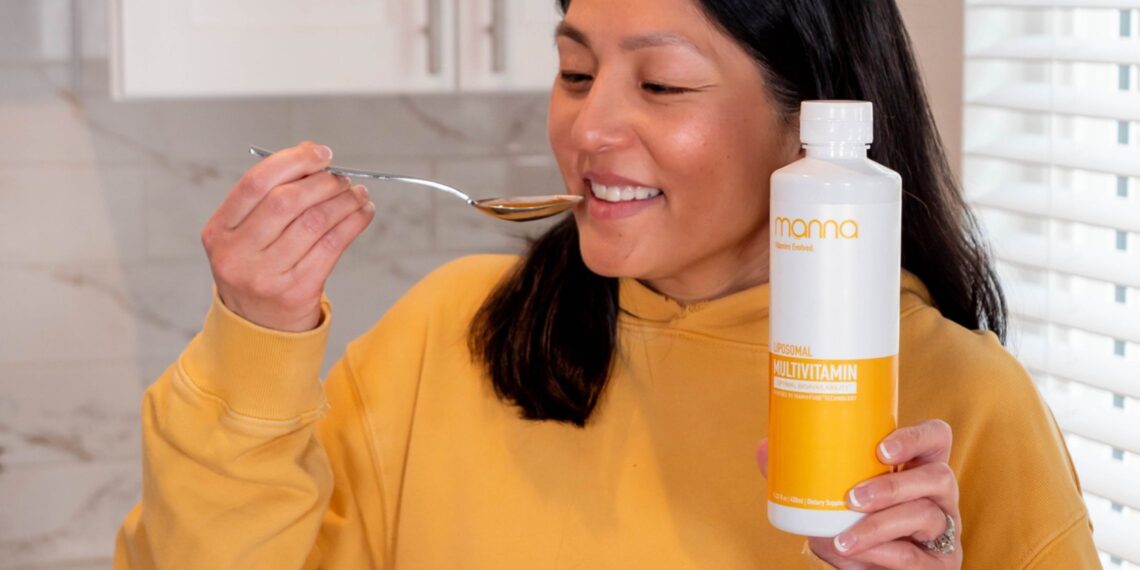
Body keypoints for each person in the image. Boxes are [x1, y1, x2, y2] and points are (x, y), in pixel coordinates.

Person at [115, 0, 1100, 568]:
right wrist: (253, 338)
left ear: (816, 123)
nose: (587, 130)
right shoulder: (448, 336)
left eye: (661, 85)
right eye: (576, 73)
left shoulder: (957, 403)